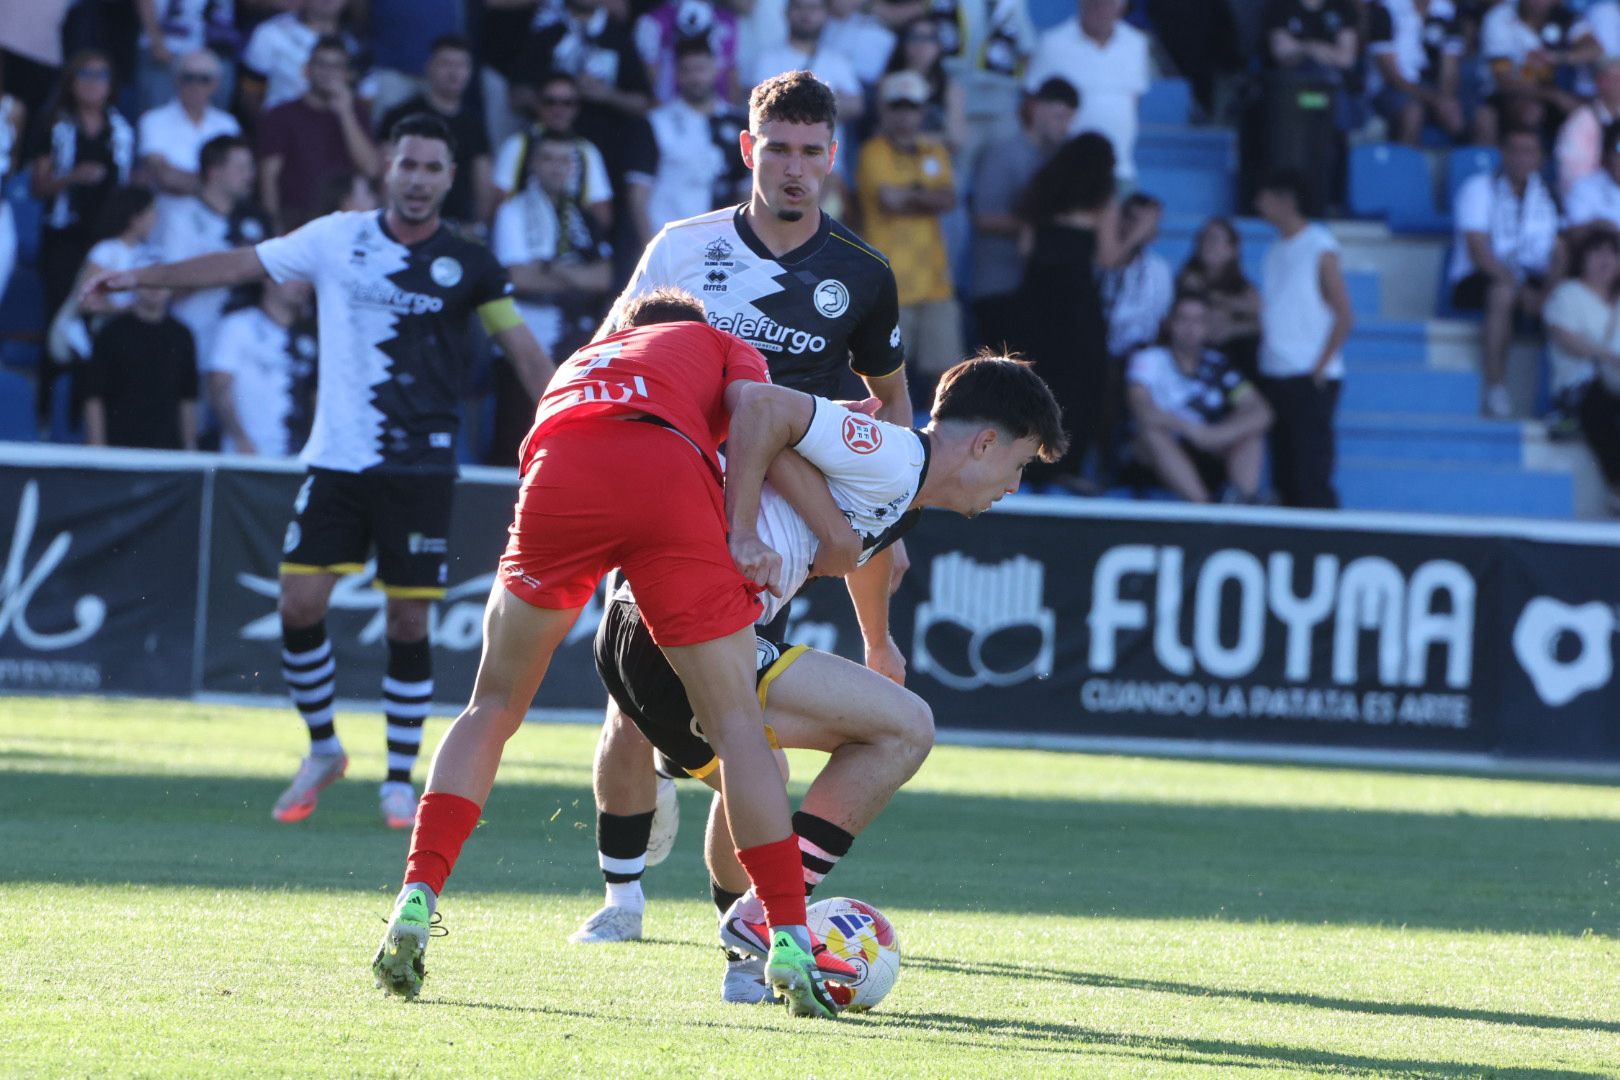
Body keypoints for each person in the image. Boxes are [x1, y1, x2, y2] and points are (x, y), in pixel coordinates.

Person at [371, 291, 863, 1019]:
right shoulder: (716, 341)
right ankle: (787, 933)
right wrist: (749, 529)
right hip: (664, 471)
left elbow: (546, 442)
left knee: (492, 706)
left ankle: (416, 896)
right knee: (735, 729)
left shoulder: (582, 358)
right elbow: (763, 421)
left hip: (560, 470)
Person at [81, 113, 556, 831]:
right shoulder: (339, 237)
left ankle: (400, 778)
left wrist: (565, 427)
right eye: (408, 165)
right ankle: (325, 748)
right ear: (386, 170)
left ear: (450, 178)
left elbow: (522, 352)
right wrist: (143, 277)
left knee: (408, 617)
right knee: (298, 604)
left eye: (433, 168)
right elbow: (240, 263)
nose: (419, 179)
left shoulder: (472, 264)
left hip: (420, 467)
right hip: (337, 459)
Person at [587, 353, 1067, 1004]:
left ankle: (746, 960)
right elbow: (759, 404)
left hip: (635, 629)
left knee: (756, 777)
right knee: (906, 729)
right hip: (685, 623)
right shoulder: (894, 457)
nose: (1012, 485)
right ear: (984, 443)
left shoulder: (899, 487)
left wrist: (878, 641)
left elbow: (863, 549)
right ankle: (765, 917)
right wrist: (743, 526)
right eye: (1019, 464)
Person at [574, 69, 915, 949]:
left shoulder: (863, 276)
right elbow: (609, 361)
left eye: (811, 152)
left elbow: (896, 412)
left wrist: (876, 606)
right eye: (779, 150)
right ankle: (621, 899)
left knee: (740, 726)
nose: (794, 169)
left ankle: (739, 923)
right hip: (661, 496)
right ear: (747, 150)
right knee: (627, 706)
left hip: (769, 531)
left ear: (832, 157)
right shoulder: (681, 248)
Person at [1010, 132, 1146, 493]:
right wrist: (1138, 234)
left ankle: (1024, 463)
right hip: (1076, 302)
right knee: (1082, 382)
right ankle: (1064, 465)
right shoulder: (1102, 200)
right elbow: (1108, 257)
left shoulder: (1039, 194)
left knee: (1035, 379)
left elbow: (1025, 249)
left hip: (1035, 299)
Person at [489, 128, 615, 462]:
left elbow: (604, 277)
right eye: (548, 159)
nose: (556, 168)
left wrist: (550, 269)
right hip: (523, 338)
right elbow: (519, 277)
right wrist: (574, 277)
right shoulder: (512, 210)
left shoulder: (585, 217)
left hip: (574, 341)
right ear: (533, 164)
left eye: (564, 161)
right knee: (514, 438)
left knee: (565, 437)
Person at [27, 48, 134, 424]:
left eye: (101, 74)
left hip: (102, 242)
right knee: (60, 319)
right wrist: (73, 176)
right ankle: (43, 415)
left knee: (98, 325)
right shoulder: (56, 125)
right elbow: (38, 187)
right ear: (72, 82)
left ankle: (83, 417)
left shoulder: (121, 128)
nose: (93, 82)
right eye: (85, 74)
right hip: (63, 237)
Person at [854, 70, 960, 401]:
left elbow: (950, 199)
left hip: (934, 281)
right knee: (884, 379)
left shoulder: (935, 151)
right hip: (889, 284)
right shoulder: (872, 152)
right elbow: (889, 201)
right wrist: (927, 197)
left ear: (922, 110)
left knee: (946, 378)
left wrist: (911, 196)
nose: (904, 115)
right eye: (897, 107)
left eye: (911, 107)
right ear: (884, 110)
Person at [1447, 126, 1561, 418]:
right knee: (1503, 292)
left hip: (1532, 275)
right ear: (1503, 154)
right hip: (1480, 277)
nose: (1522, 158)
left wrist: (1548, 292)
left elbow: (1560, 250)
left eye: (1529, 151)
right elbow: (1478, 250)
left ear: (1540, 158)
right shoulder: (1477, 188)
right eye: (1515, 150)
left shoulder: (1548, 194)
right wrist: (1522, 289)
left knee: (1567, 297)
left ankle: (1561, 398)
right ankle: (1495, 388)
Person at [1256, 169, 1353, 508]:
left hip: (1307, 376)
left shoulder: (1319, 245)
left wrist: (1319, 368)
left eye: (1265, 196)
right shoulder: (1272, 252)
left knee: (1310, 472)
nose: (1258, 204)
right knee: (1284, 472)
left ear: (1286, 200)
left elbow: (1344, 313)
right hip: (1276, 372)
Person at [1126, 291, 1273, 504]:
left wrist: (1214, 435)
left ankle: (1243, 504)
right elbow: (1141, 408)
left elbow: (1261, 411)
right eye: (1183, 319)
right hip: (1159, 452)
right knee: (1151, 432)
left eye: (1198, 320)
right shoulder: (1150, 359)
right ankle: (1204, 508)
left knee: (1252, 431)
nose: (1190, 328)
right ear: (1170, 323)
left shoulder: (1218, 364)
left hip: (1209, 448)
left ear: (1207, 327)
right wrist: (1192, 431)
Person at [969, 76, 1077, 353]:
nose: (1063, 125)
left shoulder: (1063, 159)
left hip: (1041, 288)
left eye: (1069, 118)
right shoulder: (1003, 154)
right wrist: (1044, 223)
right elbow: (984, 218)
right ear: (1035, 109)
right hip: (999, 284)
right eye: (1058, 115)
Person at [150, 134, 268, 369]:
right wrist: (229, 267)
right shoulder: (180, 218)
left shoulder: (257, 220)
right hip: (195, 342)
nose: (250, 175)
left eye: (251, 166)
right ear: (214, 172)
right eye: (241, 167)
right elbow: (167, 284)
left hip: (246, 353)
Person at [257, 35, 380, 233]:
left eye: (336, 66)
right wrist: (272, 224)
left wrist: (345, 113)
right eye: (321, 64)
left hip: (343, 221)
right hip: (295, 220)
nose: (328, 73)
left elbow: (371, 169)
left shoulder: (357, 114)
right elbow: (269, 176)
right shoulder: (280, 114)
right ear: (307, 70)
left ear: (347, 74)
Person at [1022, 0, 1150, 183]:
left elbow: (1134, 100)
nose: (1100, 9)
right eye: (1094, 3)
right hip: (1064, 169)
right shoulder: (1052, 43)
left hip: (1120, 169)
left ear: (1121, 7)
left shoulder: (1137, 44)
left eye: (1108, 4)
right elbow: (1031, 103)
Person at [377, 35, 495, 228]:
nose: (454, 73)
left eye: (461, 65)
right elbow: (386, 174)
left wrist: (477, 226)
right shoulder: (400, 115)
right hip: (406, 225)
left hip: (457, 227)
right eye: (446, 64)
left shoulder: (474, 124)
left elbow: (483, 182)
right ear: (429, 67)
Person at [645, 38, 751, 234]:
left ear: (716, 69)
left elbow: (744, 188)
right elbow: (639, 189)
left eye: (701, 69)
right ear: (677, 74)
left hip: (721, 242)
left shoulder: (739, 124)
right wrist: (648, 243)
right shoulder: (655, 122)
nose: (695, 77)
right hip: (668, 236)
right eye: (687, 70)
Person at [209, 277, 318, 457]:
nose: (302, 284)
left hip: (297, 458)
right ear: (268, 280)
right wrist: (240, 439)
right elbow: (218, 386)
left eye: (306, 277)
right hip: (246, 456)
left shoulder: (312, 335)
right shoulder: (238, 325)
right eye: (293, 276)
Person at [82, 285, 198, 451]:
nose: (155, 287)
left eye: (160, 281)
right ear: (135, 286)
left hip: (168, 451)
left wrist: (190, 449)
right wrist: (98, 451)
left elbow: (188, 398)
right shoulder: (111, 333)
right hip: (120, 450)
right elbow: (94, 396)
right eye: (147, 281)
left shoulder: (182, 336)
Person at [1542, 230, 1620, 454]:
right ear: (1582, 258)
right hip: (1580, 387)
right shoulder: (1566, 294)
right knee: (1602, 408)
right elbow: (1565, 338)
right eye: (1597, 252)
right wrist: (1608, 356)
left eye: (1612, 253)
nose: (1604, 260)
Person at [1478, 0, 1600, 142]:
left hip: (1556, 90)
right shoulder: (1499, 17)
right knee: (1530, 112)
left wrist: (1557, 58)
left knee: (1591, 113)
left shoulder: (1564, 16)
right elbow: (1503, 80)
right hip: (1511, 93)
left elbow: (1594, 49)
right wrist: (1553, 95)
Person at [135, 49, 238, 198]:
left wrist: (186, 181)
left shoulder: (228, 124)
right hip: (169, 217)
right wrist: (218, 186)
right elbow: (163, 175)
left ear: (215, 84)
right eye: (189, 78)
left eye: (204, 79)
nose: (195, 85)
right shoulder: (153, 120)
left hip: (219, 218)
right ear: (176, 80)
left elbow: (237, 176)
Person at [1365, 0, 1468, 145]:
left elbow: (1449, 67)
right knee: (1413, 113)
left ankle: (1469, 164)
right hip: (1389, 87)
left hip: (1431, 86)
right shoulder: (1386, 9)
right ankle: (1404, 164)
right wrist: (1434, 99)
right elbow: (1391, 75)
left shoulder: (1446, 10)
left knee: (1456, 113)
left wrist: (1445, 98)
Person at [749, 0, 865, 126]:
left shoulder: (837, 60)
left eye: (813, 8)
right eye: (799, 7)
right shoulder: (767, 59)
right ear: (786, 12)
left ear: (826, 14)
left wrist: (793, 102)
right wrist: (828, 102)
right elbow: (763, 104)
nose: (806, 14)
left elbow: (856, 104)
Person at [1175, 217, 1263, 382]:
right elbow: (1213, 329)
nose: (1207, 245)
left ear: (1232, 249)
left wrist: (1232, 325)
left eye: (1214, 239)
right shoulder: (1187, 280)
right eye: (1204, 238)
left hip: (1237, 365)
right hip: (1193, 364)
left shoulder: (1244, 288)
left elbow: (1261, 313)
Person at [241, 0, 364, 115]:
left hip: (336, 131)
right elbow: (250, 93)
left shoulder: (357, 44)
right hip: (280, 127)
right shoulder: (270, 32)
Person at [1101, 191, 1172, 363]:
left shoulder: (1160, 269)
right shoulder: (1100, 261)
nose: (1141, 228)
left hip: (1139, 356)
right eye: (1134, 219)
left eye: (1148, 223)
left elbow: (1160, 318)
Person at [883, 17, 967, 154]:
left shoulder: (950, 88)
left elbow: (956, 139)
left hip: (936, 162)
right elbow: (883, 132)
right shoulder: (888, 82)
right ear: (904, 43)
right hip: (892, 161)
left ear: (939, 46)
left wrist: (913, 139)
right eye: (915, 38)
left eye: (929, 38)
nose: (922, 45)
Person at [635, 0, 743, 104]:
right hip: (673, 111)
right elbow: (653, 77)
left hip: (718, 111)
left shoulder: (727, 19)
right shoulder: (652, 22)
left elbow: (732, 72)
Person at [1556, 57, 1620, 193]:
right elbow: (1571, 170)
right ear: (1599, 82)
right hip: (1592, 196)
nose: (1617, 84)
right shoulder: (1581, 120)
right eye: (1611, 78)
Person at [1564, 119, 1620, 239]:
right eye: (1619, 147)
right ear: (1608, 153)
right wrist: (1599, 226)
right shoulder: (1584, 189)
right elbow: (1574, 234)